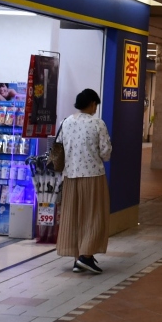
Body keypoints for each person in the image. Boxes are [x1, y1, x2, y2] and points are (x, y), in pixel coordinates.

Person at [56, 89, 113, 274]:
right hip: (93, 176)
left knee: (73, 216)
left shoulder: (65, 122)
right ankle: (86, 256)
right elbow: (105, 152)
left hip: (70, 176)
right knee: (94, 216)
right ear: (92, 104)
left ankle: (77, 258)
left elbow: (59, 147)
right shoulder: (97, 123)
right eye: (95, 105)